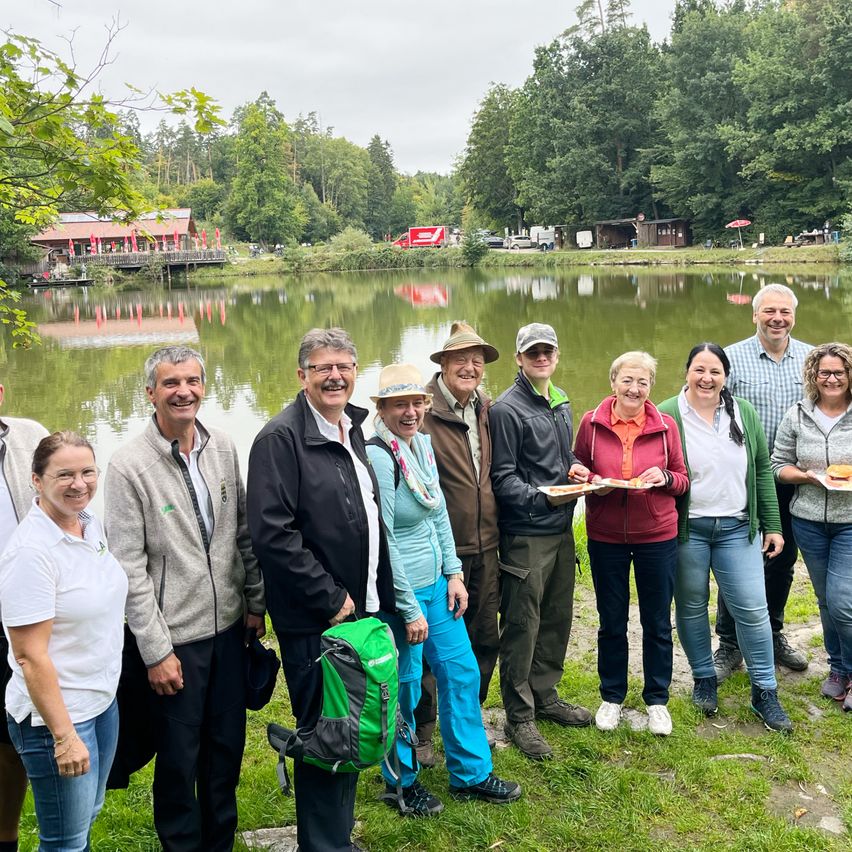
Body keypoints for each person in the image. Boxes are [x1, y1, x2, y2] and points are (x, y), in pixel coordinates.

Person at [105, 346, 265, 852]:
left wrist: (255, 602)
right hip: (175, 640)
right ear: (150, 392)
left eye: (192, 381)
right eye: (171, 383)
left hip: (229, 631)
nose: (184, 391)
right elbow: (129, 569)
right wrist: (155, 651)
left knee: (225, 753)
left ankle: (220, 843)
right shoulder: (128, 466)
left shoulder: (223, 447)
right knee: (178, 762)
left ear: (204, 386)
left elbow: (242, 530)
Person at [246, 328, 396, 852]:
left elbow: (366, 516)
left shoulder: (350, 427)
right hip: (319, 619)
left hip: (360, 612)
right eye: (322, 367)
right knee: (325, 731)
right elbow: (272, 533)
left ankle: (335, 838)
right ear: (302, 375)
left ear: (355, 372)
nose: (335, 376)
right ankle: (324, 845)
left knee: (350, 724)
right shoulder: (280, 439)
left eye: (344, 367)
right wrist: (330, 598)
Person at [367, 363, 520, 816]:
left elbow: (437, 515)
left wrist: (453, 572)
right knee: (405, 688)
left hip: (436, 585)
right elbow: (384, 539)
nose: (410, 412)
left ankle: (470, 773)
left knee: (462, 671)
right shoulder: (380, 456)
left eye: (416, 403)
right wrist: (408, 607)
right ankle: (400, 781)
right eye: (399, 404)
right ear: (382, 410)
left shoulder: (422, 445)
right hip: (400, 597)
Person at [0, 432, 127, 850]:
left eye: (88, 472)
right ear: (36, 480)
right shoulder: (31, 552)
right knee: (64, 842)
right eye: (64, 475)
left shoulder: (88, 524)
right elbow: (29, 655)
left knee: (86, 819)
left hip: (100, 702)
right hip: (57, 718)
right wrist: (64, 737)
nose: (79, 484)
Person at [659, 344, 793, 733]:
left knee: (753, 608)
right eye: (699, 370)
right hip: (688, 530)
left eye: (715, 371)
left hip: (737, 527)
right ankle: (703, 677)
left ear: (725, 376)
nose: (706, 378)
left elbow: (762, 469)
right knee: (691, 606)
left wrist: (772, 524)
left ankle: (764, 691)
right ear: (686, 372)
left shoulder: (743, 411)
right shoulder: (667, 413)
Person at [489, 323, 592, 761]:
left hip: (560, 529)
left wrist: (575, 467)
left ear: (557, 354)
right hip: (526, 535)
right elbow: (502, 478)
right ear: (519, 359)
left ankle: (545, 695)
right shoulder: (505, 409)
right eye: (533, 352)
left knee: (555, 617)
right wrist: (544, 498)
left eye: (548, 351)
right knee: (522, 625)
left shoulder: (560, 400)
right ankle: (519, 716)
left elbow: (561, 457)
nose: (541, 358)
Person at [573, 352, 689, 736]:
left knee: (656, 621)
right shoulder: (591, 423)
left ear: (651, 386)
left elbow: (682, 480)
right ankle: (612, 697)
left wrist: (664, 478)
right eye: (627, 380)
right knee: (611, 620)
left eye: (642, 381)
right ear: (613, 382)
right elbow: (577, 467)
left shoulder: (666, 426)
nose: (634, 389)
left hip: (657, 535)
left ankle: (657, 700)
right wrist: (589, 478)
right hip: (605, 535)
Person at [413, 322, 501, 764]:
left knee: (484, 638)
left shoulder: (486, 407)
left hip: (487, 545)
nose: (470, 368)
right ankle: (423, 730)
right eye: (461, 360)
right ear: (443, 364)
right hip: (442, 552)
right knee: (433, 649)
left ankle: (467, 721)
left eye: (477, 361)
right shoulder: (421, 411)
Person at [717, 284, 812, 679]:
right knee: (736, 559)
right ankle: (729, 643)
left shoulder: (810, 359)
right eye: (770, 311)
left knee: (782, 560)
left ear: (794, 316)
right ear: (754, 314)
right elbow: (711, 410)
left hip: (792, 477)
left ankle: (772, 633)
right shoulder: (731, 358)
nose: (778, 318)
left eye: (785, 312)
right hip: (743, 478)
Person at [771, 342, 852, 711]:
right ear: (813, 376)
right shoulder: (798, 414)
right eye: (824, 373)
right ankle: (838, 669)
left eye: (839, 372)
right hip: (808, 520)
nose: (832, 379)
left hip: (849, 522)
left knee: (842, 599)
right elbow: (778, 464)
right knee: (824, 600)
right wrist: (807, 476)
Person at [0, 386, 48, 852]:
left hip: (21, 615)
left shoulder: (30, 436)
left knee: (11, 736)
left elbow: (66, 505)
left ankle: (6, 837)